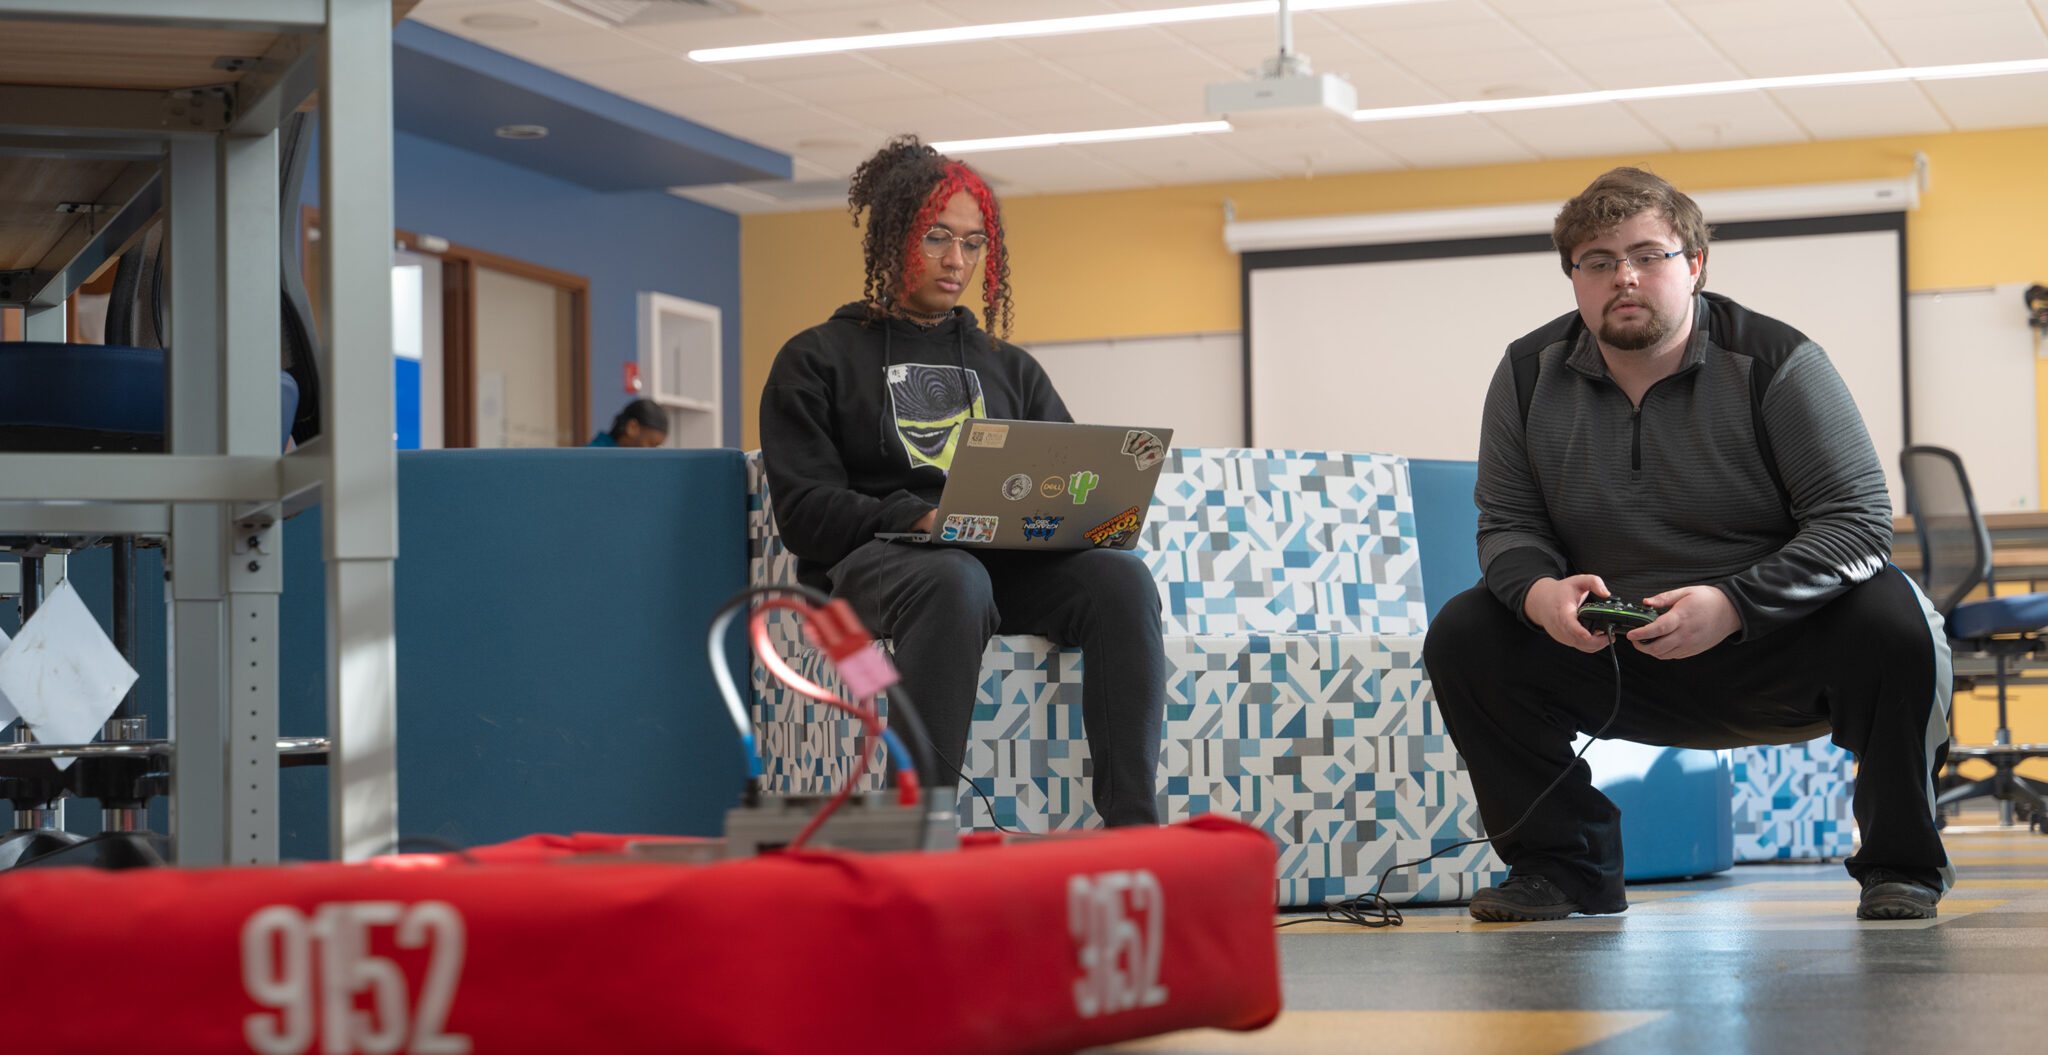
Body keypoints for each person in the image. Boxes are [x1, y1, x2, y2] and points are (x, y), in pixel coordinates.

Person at [1422, 167, 1953, 922]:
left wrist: (1735, 604)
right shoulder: (1526, 374)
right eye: (1597, 261)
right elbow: (1506, 523)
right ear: (1573, 276)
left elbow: (1859, 522)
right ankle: (1564, 866)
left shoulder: (1778, 364)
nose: (1624, 276)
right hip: (1612, 650)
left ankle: (1901, 864)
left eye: (1649, 254)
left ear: (1695, 264)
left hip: (1772, 645)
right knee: (1465, 633)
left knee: (1894, 618)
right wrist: (1542, 595)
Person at [757, 135, 1165, 827]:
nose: (956, 261)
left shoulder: (1011, 368)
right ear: (893, 236)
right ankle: (911, 826)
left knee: (1121, 579)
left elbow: (1067, 480)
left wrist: (1089, 514)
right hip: (877, 570)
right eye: (937, 237)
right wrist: (919, 518)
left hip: (999, 563)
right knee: (954, 577)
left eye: (974, 244)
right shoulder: (816, 357)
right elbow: (805, 511)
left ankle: (1133, 825)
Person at [589, 398, 667, 447]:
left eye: (656, 447)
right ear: (632, 427)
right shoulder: (591, 459)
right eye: (651, 444)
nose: (654, 453)